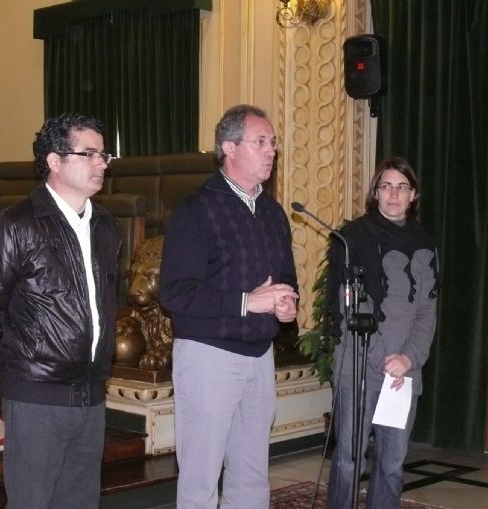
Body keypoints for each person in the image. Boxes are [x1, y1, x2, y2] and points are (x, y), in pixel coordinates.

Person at [0, 113, 121, 509]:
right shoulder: (14, 226)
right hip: (36, 396)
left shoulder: (107, 228)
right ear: (54, 161)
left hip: (91, 394)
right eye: (89, 153)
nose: (101, 163)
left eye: (104, 154)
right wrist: (17, 370)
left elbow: (109, 303)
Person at [159, 104, 299, 508]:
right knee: (202, 475)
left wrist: (286, 306)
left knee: (252, 475)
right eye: (261, 142)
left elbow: (286, 279)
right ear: (229, 148)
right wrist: (247, 302)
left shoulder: (273, 213)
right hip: (209, 356)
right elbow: (175, 293)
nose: (271, 150)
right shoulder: (196, 209)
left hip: (260, 356)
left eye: (273, 143)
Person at [326, 157, 439, 508]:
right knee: (349, 460)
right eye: (386, 186)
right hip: (358, 367)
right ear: (375, 193)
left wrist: (408, 358)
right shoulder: (351, 239)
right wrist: (381, 359)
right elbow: (348, 308)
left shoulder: (425, 244)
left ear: (413, 195)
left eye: (401, 187)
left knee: (391, 464)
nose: (394, 194)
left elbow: (426, 311)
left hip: (404, 372)